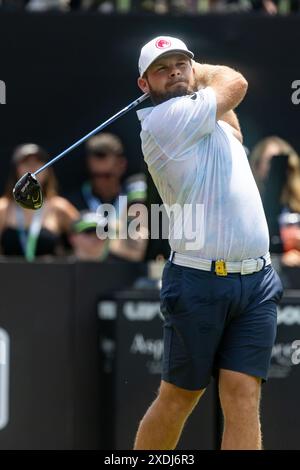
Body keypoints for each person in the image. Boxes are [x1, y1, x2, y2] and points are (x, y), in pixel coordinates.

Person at [134, 36, 283, 450]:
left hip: (257, 280)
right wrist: (199, 76)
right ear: (143, 85)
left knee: (243, 395)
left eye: (182, 64)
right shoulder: (166, 122)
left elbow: (230, 119)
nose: (176, 72)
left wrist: (192, 78)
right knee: (180, 397)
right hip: (199, 281)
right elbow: (235, 83)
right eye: (163, 68)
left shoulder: (207, 119)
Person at [67, 132, 148, 262]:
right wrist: (117, 232)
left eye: (107, 175)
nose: (101, 182)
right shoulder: (72, 202)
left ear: (121, 165)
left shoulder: (135, 198)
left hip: (125, 275)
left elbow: (137, 247)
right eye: (96, 175)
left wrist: (95, 236)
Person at [0, 143, 79, 260]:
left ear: (48, 170)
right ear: (16, 169)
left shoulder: (59, 207)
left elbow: (86, 235)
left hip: (51, 276)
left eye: (38, 162)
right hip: (9, 277)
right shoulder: (3, 207)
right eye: (26, 162)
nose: (33, 167)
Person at [250, 136, 300, 266]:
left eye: (282, 162)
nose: (277, 169)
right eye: (272, 162)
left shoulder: (296, 203)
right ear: (257, 165)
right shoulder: (249, 205)